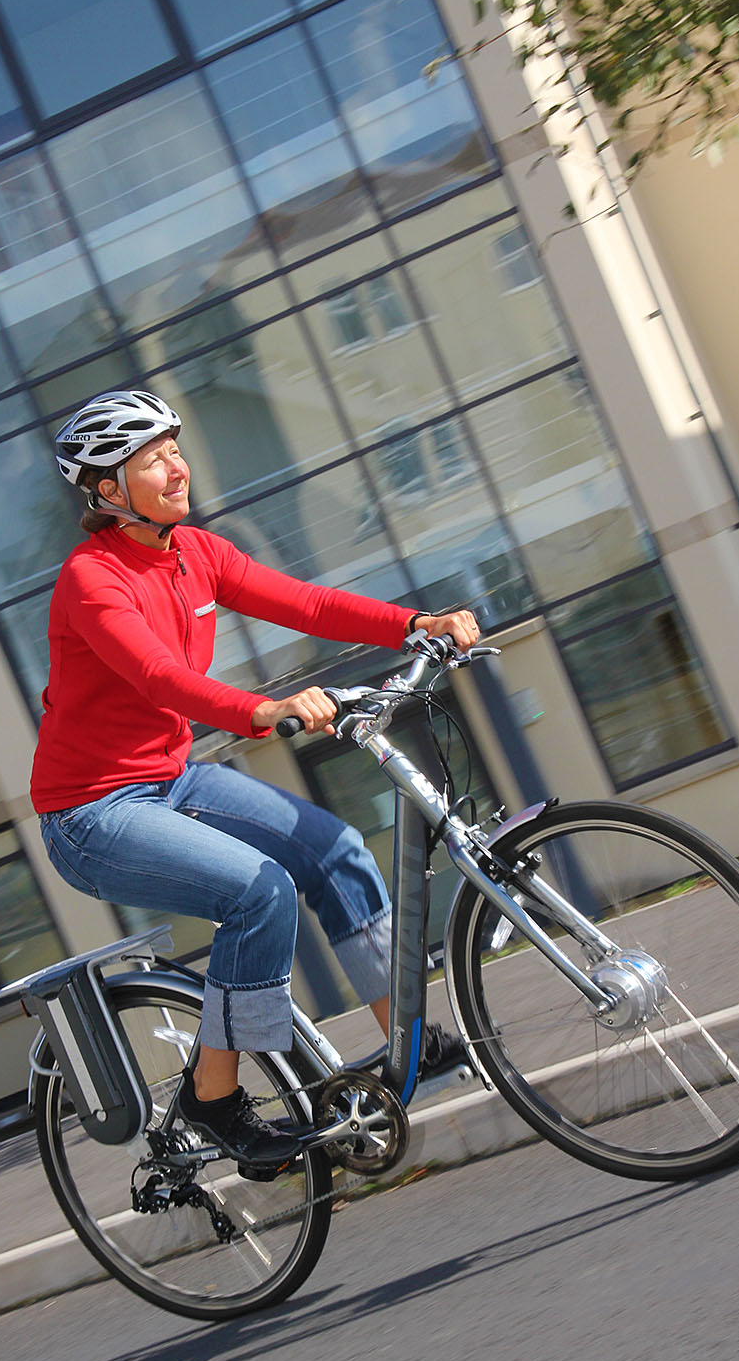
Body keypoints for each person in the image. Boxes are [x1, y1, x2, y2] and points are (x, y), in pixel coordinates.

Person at [32, 389, 480, 1171]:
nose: (176, 467)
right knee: (258, 891)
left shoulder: (196, 552)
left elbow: (304, 603)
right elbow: (158, 676)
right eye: (152, 459)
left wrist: (413, 623)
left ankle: (408, 1043)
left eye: (175, 448)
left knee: (336, 850)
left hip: (169, 779)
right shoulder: (93, 580)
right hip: (93, 813)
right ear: (108, 491)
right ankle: (215, 1098)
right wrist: (263, 709)